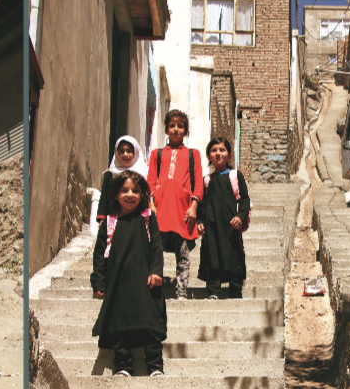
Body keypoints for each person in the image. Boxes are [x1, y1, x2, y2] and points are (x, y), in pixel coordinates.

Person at [91, 170, 166, 376]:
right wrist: (99, 282)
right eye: (124, 190)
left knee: (150, 322)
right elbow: (99, 255)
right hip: (118, 282)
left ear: (142, 195)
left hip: (146, 281)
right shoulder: (109, 222)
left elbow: (157, 246)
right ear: (115, 194)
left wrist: (156, 271)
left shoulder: (148, 218)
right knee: (119, 323)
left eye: (135, 190)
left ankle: (155, 366)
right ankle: (123, 365)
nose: (130, 194)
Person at [147, 109, 205, 300]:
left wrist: (194, 207)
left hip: (183, 211)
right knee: (156, 250)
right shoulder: (157, 154)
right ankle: (155, 289)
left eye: (180, 126)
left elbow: (198, 184)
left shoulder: (192, 154)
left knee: (183, 253)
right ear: (166, 129)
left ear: (185, 131)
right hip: (161, 210)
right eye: (172, 125)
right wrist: (151, 205)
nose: (176, 129)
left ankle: (181, 292)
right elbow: (150, 183)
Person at [197, 137, 250, 299]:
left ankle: (236, 291)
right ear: (208, 156)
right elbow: (202, 204)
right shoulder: (207, 180)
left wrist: (240, 217)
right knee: (211, 256)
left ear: (229, 155)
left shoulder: (235, 176)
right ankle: (213, 291)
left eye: (222, 150)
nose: (218, 153)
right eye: (214, 150)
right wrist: (200, 222)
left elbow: (244, 199)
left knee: (234, 256)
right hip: (212, 228)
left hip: (231, 227)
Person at [96, 135, 155, 220]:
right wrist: (101, 218)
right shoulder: (110, 175)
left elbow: (144, 199)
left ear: (135, 153)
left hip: (135, 219)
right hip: (113, 218)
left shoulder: (140, 175)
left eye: (129, 151)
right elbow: (104, 198)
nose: (125, 154)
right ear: (117, 153)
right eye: (122, 151)